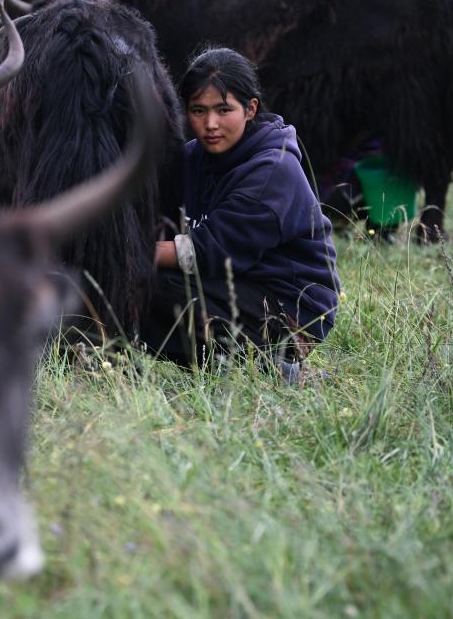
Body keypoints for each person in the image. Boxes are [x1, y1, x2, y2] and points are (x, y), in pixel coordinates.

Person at [140, 48, 340, 378]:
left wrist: (125, 256)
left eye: (223, 109)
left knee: (154, 290)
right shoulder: (193, 158)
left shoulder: (272, 172)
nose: (210, 124)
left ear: (250, 109)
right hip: (237, 282)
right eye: (198, 110)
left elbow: (205, 252)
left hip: (292, 310)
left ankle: (272, 368)